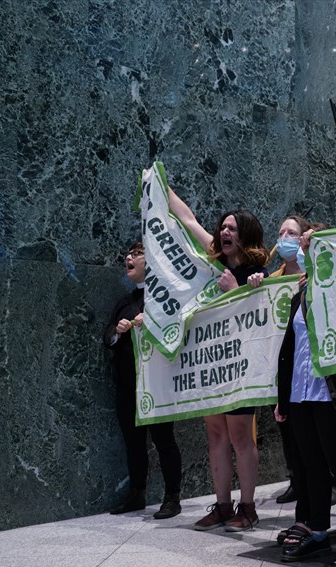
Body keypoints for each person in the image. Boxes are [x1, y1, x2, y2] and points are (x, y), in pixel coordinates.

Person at [167, 188, 269, 532]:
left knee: (241, 437)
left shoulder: (258, 274)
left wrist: (234, 291)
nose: (225, 233)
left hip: (241, 367)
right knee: (215, 435)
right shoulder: (211, 265)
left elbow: (262, 319)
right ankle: (223, 505)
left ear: (247, 236)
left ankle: (248, 507)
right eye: (223, 228)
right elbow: (187, 219)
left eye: (233, 229)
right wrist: (160, 185)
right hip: (212, 368)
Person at [274, 247, 336, 567]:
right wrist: (283, 396)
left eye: (308, 248)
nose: (301, 253)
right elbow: (290, 347)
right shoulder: (300, 294)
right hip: (301, 395)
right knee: (310, 467)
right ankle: (318, 531)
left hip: (331, 395)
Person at [104, 241, 184, 519]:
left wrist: (149, 322)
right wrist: (119, 330)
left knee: (164, 440)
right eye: (128, 253)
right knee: (133, 442)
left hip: (157, 383)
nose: (128, 256)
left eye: (137, 253)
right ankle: (137, 493)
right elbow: (108, 338)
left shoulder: (164, 300)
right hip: (127, 384)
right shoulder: (123, 302)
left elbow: (177, 332)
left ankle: (172, 497)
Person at [272, 215, 311, 505]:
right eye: (281, 231)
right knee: (287, 427)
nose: (285, 236)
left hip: (309, 366)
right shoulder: (272, 280)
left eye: (292, 232)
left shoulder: (312, 274)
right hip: (283, 364)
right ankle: (296, 479)